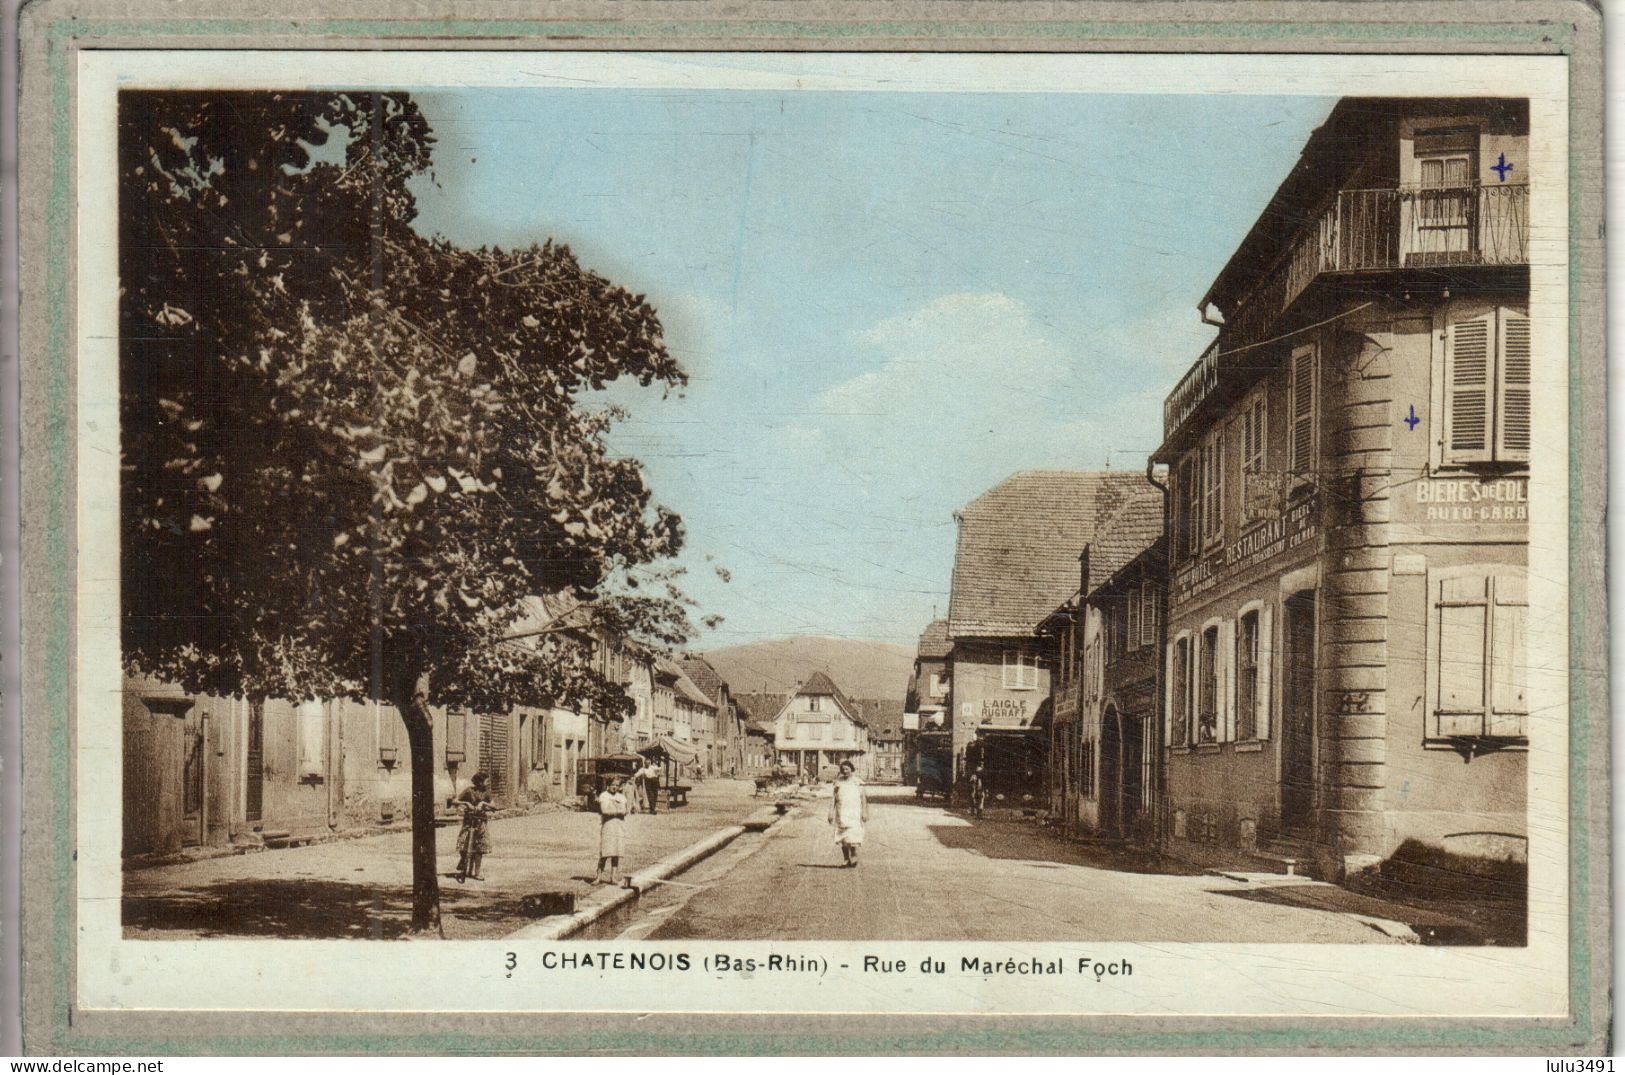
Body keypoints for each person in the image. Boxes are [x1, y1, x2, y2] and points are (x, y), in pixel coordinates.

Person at [453, 771, 495, 883]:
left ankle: (477, 873)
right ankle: (463, 860)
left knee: (479, 848)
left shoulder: (487, 792)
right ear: (480, 782)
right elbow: (455, 800)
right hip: (468, 821)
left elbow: (493, 805)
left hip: (481, 822)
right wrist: (467, 804)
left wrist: (483, 804)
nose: (488, 783)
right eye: (486, 780)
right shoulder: (468, 791)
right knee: (463, 843)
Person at [828, 760, 869, 868]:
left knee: (853, 835)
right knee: (843, 837)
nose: (845, 771)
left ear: (851, 769)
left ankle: (854, 855)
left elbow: (863, 799)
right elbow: (834, 799)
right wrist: (830, 812)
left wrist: (864, 812)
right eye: (843, 769)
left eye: (847, 769)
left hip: (854, 812)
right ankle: (846, 858)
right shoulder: (838, 782)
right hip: (841, 812)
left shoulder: (857, 782)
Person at [595, 776, 630, 885]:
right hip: (608, 825)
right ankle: (598, 877)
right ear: (608, 786)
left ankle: (613, 877)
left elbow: (625, 811)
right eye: (612, 785)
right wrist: (617, 811)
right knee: (605, 852)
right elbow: (605, 811)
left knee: (616, 852)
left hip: (619, 826)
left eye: (616, 785)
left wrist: (615, 810)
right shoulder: (604, 796)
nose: (614, 787)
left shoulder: (621, 797)